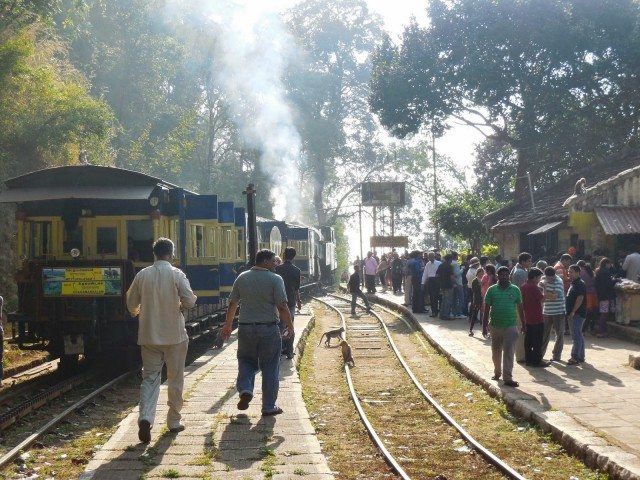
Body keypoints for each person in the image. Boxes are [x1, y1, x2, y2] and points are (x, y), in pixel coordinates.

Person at [126, 238, 197, 443]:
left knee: (150, 378)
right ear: (171, 254)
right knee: (175, 377)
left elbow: (131, 302)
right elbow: (190, 301)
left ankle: (146, 418)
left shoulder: (142, 275)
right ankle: (174, 421)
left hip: (148, 335)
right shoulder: (176, 274)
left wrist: (136, 311)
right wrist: (184, 302)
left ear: (154, 254)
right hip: (175, 335)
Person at [221, 249, 294, 416]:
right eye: (273, 261)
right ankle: (268, 406)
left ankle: (246, 388)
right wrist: (290, 326)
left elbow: (233, 304)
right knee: (270, 367)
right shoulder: (275, 279)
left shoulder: (242, 277)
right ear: (265, 261)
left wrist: (227, 326)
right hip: (268, 328)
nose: (276, 264)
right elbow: (282, 306)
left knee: (246, 361)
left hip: (245, 328)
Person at [482, 266, 524, 387]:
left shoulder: (515, 290)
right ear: (497, 276)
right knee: (496, 351)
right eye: (502, 275)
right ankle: (497, 372)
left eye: (506, 275)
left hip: (511, 325)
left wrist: (523, 324)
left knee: (509, 351)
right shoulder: (492, 290)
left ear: (509, 276)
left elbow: (520, 308)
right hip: (495, 325)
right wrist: (484, 326)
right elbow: (487, 309)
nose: (504, 277)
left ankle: (508, 377)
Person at [275, 247, 302, 360]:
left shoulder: (277, 269)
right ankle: (289, 352)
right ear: (294, 256)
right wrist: (298, 301)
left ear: (284, 255)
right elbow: (296, 289)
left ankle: (278, 351)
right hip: (290, 301)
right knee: (289, 326)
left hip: (277, 302)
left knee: (279, 326)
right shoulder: (297, 271)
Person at [520, 268, 547, 366]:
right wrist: (545, 290)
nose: (540, 279)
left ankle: (529, 359)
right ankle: (536, 360)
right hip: (537, 316)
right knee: (537, 341)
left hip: (527, 315)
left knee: (528, 340)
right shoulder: (534, 287)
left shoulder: (523, 286)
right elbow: (542, 299)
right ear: (535, 277)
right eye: (539, 277)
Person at [539, 266, 566, 361]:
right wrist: (546, 293)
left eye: (552, 277)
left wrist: (545, 289)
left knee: (559, 334)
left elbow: (554, 297)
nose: (550, 279)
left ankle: (556, 355)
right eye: (548, 278)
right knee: (544, 334)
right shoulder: (543, 279)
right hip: (546, 311)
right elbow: (538, 293)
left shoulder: (558, 281)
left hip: (558, 311)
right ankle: (540, 355)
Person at [566, 265, 587, 365]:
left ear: (578, 272)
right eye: (569, 271)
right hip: (575, 313)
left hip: (578, 313)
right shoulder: (574, 283)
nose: (569, 273)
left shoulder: (580, 284)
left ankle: (575, 357)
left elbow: (580, 298)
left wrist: (573, 311)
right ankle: (581, 356)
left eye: (571, 272)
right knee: (579, 334)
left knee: (576, 335)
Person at [595, 258, 617, 338]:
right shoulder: (605, 272)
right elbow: (608, 284)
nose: (610, 265)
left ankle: (601, 331)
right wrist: (616, 281)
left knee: (602, 313)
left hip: (600, 295)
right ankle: (601, 332)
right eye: (609, 264)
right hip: (605, 295)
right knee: (604, 313)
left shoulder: (599, 271)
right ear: (606, 264)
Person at [577, 259, 597, 333]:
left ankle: (583, 328)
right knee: (591, 312)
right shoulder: (591, 271)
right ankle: (591, 328)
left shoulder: (580, 272)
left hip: (586, 293)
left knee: (586, 312)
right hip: (593, 294)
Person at [422, 252, 441, 318]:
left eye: (431, 256)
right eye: (429, 257)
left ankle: (439, 310)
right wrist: (423, 283)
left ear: (434, 256)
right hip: (430, 281)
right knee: (432, 297)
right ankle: (434, 312)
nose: (430, 258)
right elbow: (425, 274)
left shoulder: (439, 263)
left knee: (438, 296)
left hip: (437, 280)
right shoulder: (428, 264)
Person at [437, 254, 455, 320]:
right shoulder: (449, 266)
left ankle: (441, 315)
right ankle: (446, 315)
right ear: (450, 259)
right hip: (449, 285)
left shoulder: (441, 265)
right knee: (448, 301)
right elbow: (452, 277)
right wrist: (454, 283)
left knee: (443, 300)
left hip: (442, 285)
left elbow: (437, 275)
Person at [468, 267, 484, 336]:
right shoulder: (475, 281)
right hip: (477, 300)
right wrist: (479, 285)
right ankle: (471, 329)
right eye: (480, 274)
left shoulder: (484, 280)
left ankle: (483, 329)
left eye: (482, 274)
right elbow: (474, 291)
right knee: (475, 314)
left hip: (483, 299)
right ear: (477, 274)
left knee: (483, 314)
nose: (481, 275)